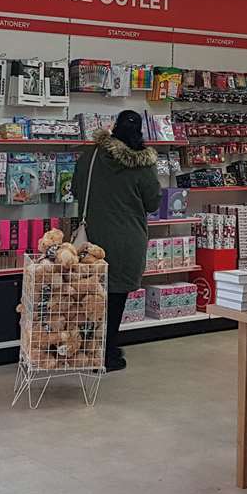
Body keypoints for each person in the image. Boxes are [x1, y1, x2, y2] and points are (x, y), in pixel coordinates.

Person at [73, 110, 160, 372]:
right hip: (127, 241)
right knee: (115, 299)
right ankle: (106, 353)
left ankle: (84, 347)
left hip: (91, 239)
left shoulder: (91, 155)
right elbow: (153, 203)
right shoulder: (143, 164)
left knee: (88, 297)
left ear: (114, 127)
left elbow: (76, 188)